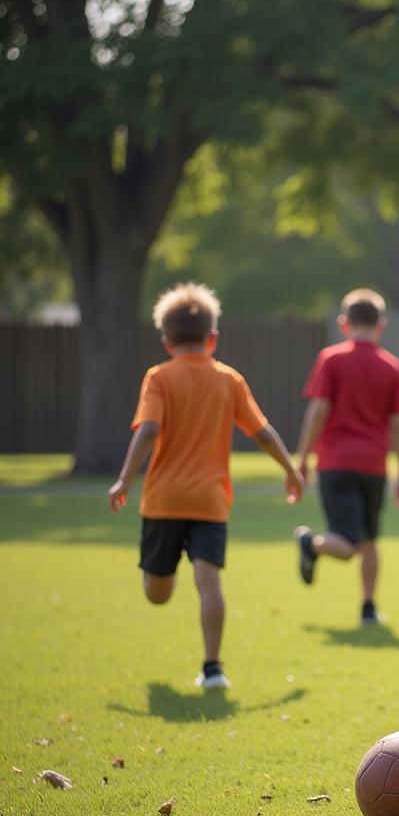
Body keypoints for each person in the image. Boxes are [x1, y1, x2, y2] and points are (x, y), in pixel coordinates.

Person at [108, 283, 303, 690]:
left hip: (163, 500)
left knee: (157, 593)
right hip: (210, 501)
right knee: (209, 581)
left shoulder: (158, 377)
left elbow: (148, 431)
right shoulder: (229, 380)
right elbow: (262, 432)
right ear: (212, 338)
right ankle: (213, 668)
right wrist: (291, 468)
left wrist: (125, 479)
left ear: (166, 340)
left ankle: (208, 658)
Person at [293, 288, 399, 624]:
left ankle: (368, 607)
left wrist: (302, 458)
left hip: (334, 461)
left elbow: (318, 411)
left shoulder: (331, 358)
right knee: (357, 544)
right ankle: (311, 543)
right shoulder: (391, 366)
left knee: (367, 541)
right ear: (381, 325)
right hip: (373, 465)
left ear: (344, 323)